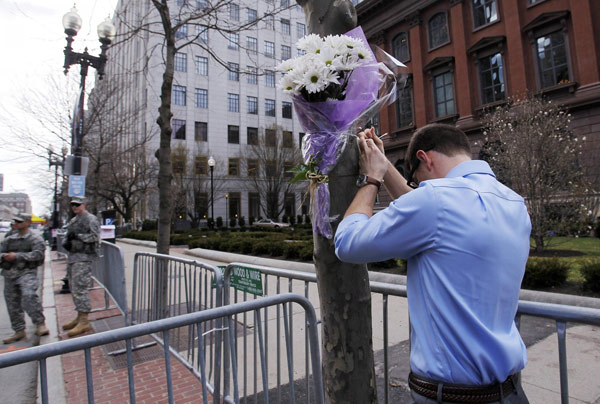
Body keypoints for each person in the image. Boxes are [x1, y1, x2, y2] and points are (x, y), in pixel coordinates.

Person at [334, 124, 531, 403]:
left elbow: (348, 243)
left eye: (416, 179)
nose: (416, 186)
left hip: (451, 396)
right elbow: (425, 209)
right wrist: (385, 163)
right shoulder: (514, 202)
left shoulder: (435, 200)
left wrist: (372, 180)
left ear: (425, 158)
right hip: (509, 392)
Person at [1, 213, 49, 343]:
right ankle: (19, 330)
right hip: (10, 274)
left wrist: (17, 256)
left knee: (29, 296)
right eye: (15, 221)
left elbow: (38, 255)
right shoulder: (9, 239)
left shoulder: (35, 238)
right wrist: (4, 257)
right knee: (12, 303)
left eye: (20, 221)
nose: (16, 224)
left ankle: (40, 323)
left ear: (28, 222)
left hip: (26, 272)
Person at [62, 197, 100, 337]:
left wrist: (78, 236)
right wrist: (67, 242)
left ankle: (84, 320)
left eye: (77, 205)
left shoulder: (90, 219)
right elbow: (68, 236)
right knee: (74, 287)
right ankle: (79, 316)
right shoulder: (73, 220)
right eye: (73, 205)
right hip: (73, 256)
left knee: (80, 288)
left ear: (84, 204)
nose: (75, 207)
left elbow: (95, 238)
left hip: (84, 257)